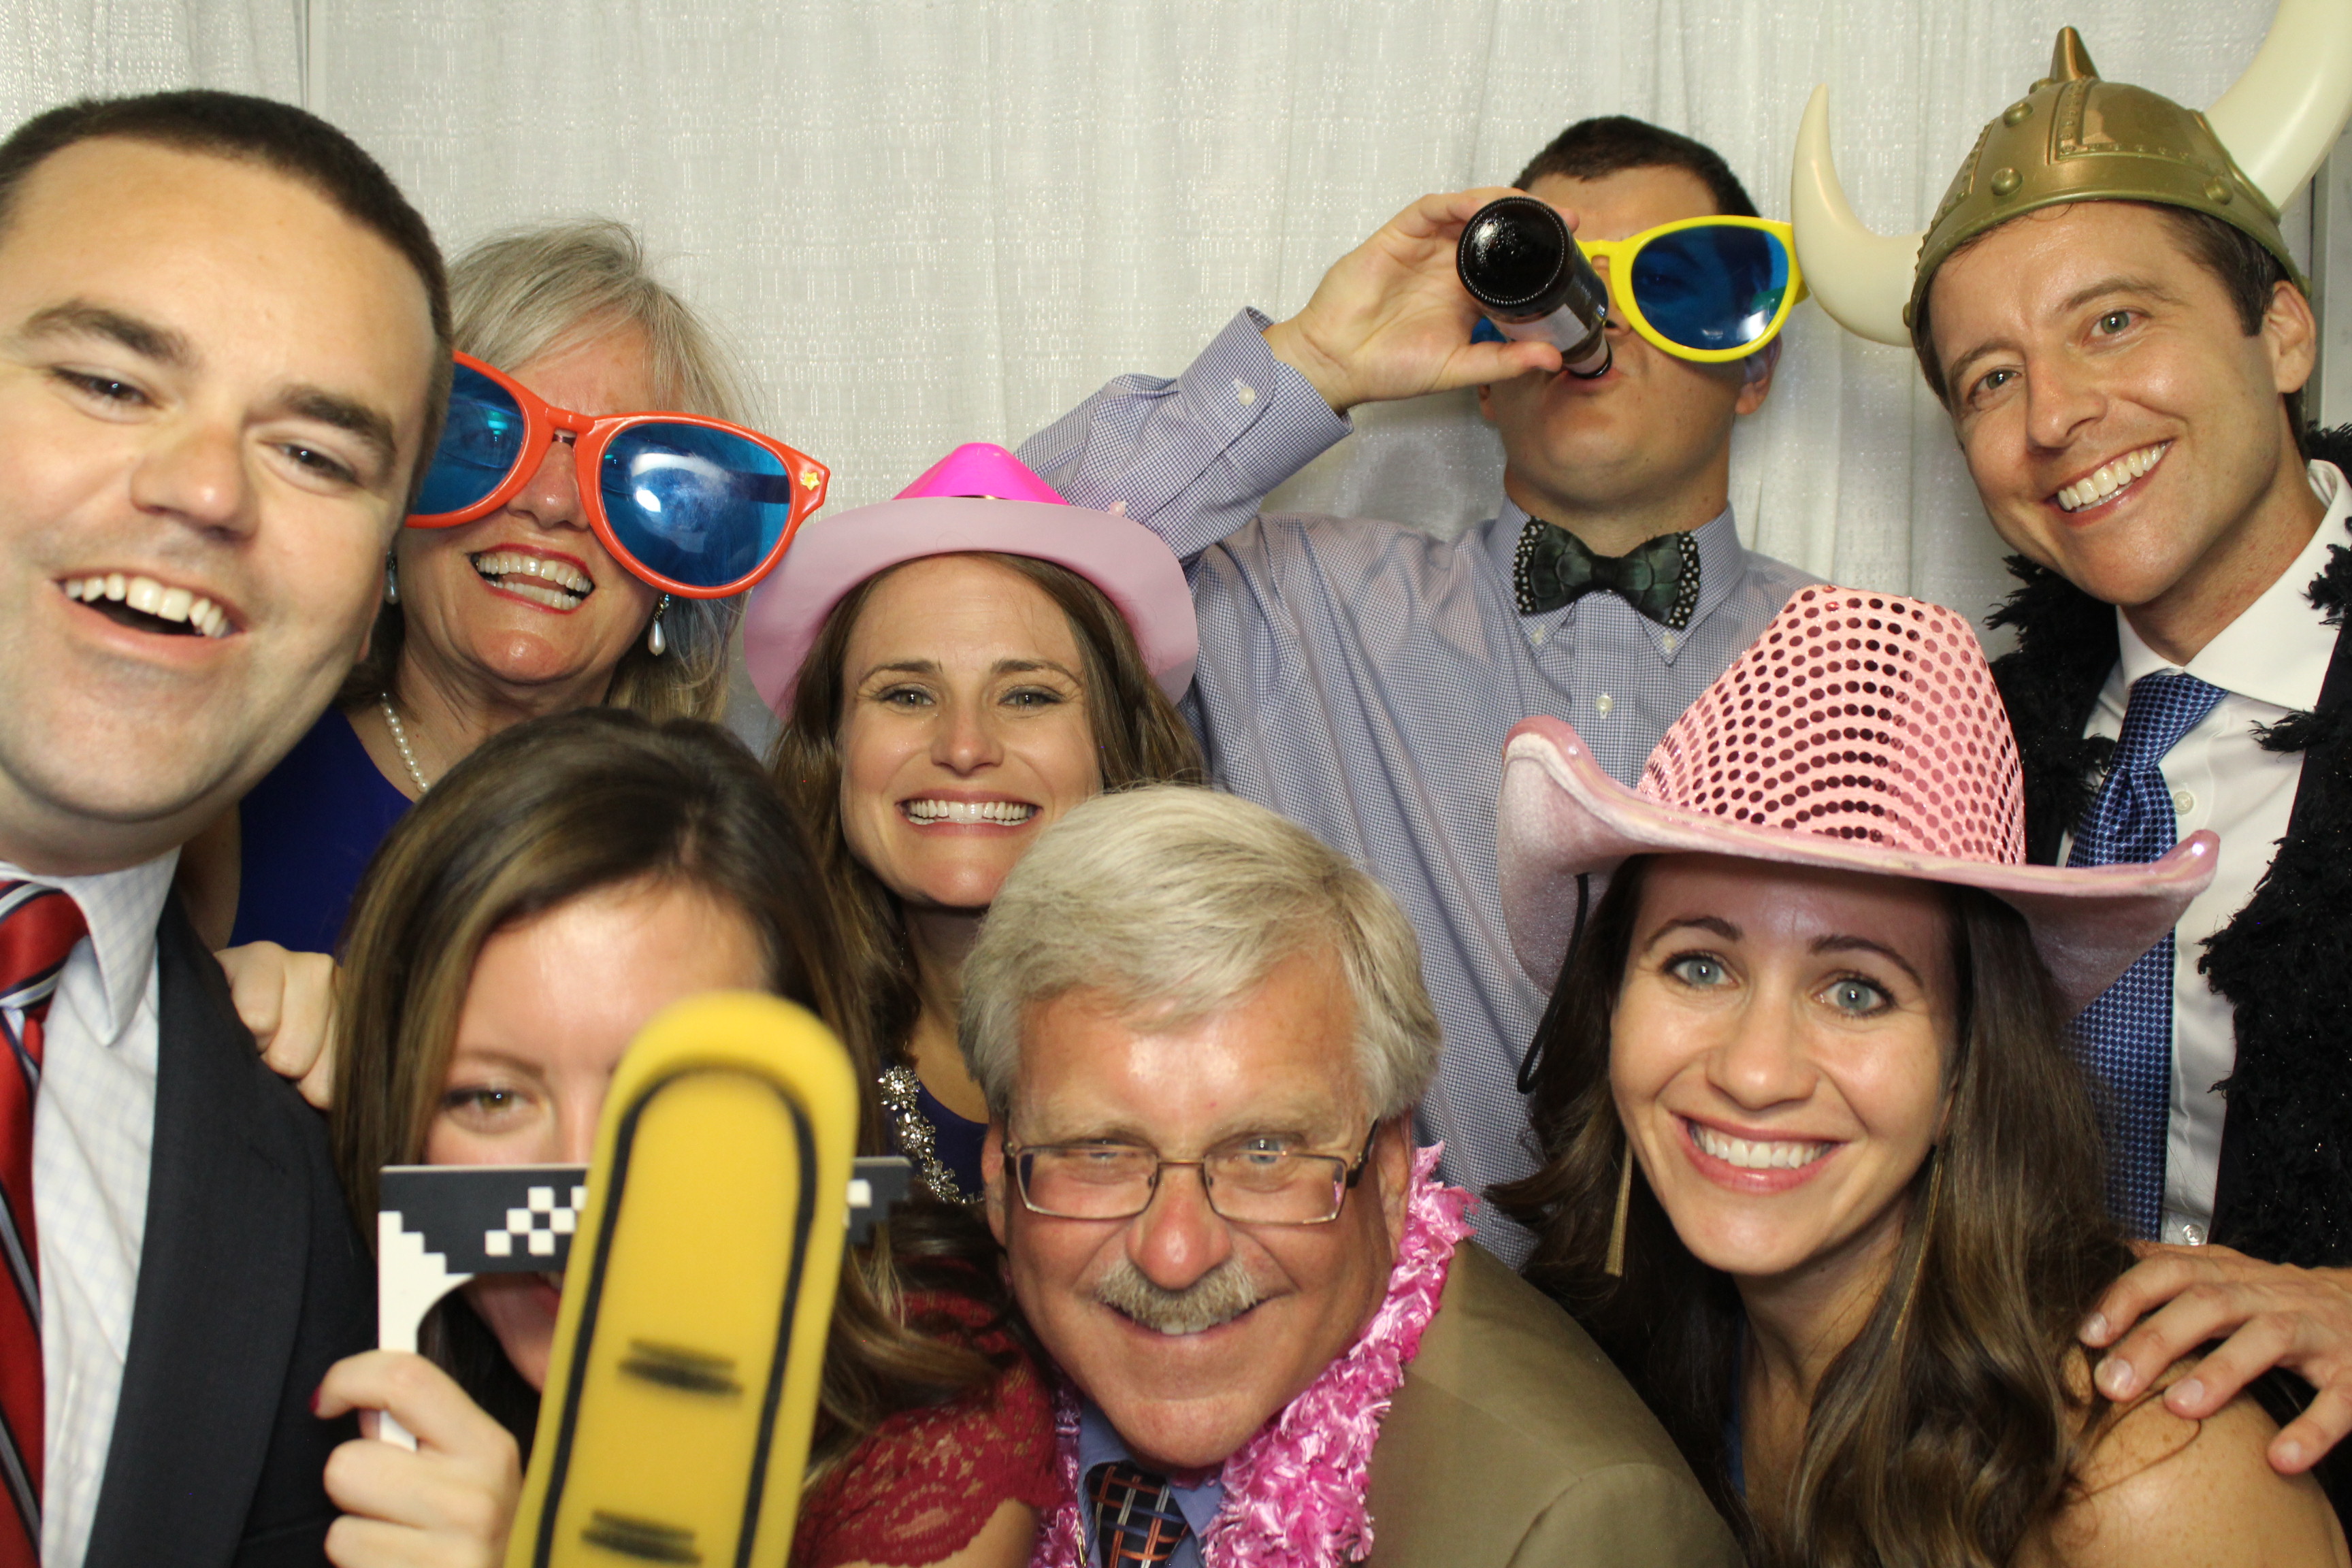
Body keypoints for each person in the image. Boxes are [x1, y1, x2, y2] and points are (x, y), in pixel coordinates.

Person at [1016, 118, 1820, 1253]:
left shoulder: (1868, 659)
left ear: (1755, 364)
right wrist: (1316, 362)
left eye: (1673, 281)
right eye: (1553, 286)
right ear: (1487, 372)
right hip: (1418, 1383)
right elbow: (982, 586)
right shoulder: (1290, 610)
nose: (1604, 324)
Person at [1491, 585, 2349, 1563]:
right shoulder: (1632, 1348)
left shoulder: (2148, 1485)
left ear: (1965, 1071)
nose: (1757, 1072)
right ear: (1610, 1010)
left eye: (1856, 991)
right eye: (1699, 965)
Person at [1790, 1, 2352, 1488]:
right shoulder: (1955, 746)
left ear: (2281, 330)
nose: (2058, 417)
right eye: (1989, 379)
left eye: (2116, 321)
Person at [0, 89, 449, 1567]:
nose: (204, 491)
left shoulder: (312, 1206)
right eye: (111, 383)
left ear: (383, 578)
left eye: (318, 455)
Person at [318, 708, 1057, 1568]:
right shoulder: (307, 1301)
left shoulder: (933, 1408)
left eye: (664, 1100)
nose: (587, 1185)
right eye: (489, 1097)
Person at [958, 784, 1740, 1567]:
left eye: (1264, 1154)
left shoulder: (1579, 1534)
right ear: (998, 1173)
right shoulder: (928, 1412)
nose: (1174, 1255)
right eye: (1101, 1153)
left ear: (1393, 1168)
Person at [179, 217, 828, 958]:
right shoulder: (224, 786)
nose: (550, 502)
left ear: (675, 578)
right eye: (486, 440)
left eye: (627, 474)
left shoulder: (730, 855)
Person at [745, 441, 1203, 1203]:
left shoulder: (1229, 1048)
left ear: (1116, 747)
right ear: (833, 748)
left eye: (1028, 696)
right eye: (906, 694)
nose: (964, 747)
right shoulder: (746, 1065)